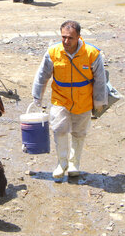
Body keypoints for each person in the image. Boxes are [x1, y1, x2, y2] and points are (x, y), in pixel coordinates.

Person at [31, 21, 108, 179]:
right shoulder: (53, 52)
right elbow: (42, 75)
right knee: (59, 129)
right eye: (63, 37)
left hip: (84, 100)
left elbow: (100, 80)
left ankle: (74, 163)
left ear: (79, 37)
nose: (66, 41)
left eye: (70, 38)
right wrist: (37, 96)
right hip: (61, 99)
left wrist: (99, 102)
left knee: (79, 133)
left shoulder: (92, 54)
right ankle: (62, 163)